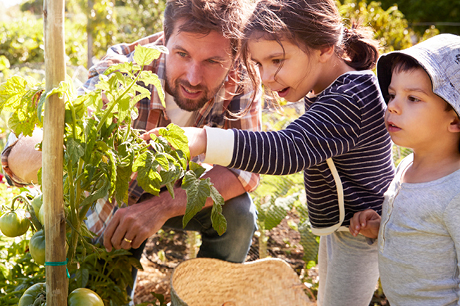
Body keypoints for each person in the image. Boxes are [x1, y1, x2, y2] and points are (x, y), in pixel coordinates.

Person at [2, 0, 262, 300]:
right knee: (105, 289)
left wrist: (161, 206)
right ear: (165, 39)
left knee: (238, 214)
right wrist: (39, 149)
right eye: (182, 54)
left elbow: (245, 167)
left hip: (178, 190)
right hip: (116, 204)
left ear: (233, 57)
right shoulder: (124, 70)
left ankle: (205, 297)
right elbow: (57, 135)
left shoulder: (243, 78)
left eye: (212, 62)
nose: (193, 77)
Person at [144, 0, 395, 305]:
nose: (265, 77)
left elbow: (286, 149)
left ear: (324, 47)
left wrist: (203, 140)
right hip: (345, 229)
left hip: (362, 231)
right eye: (260, 64)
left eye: (277, 60)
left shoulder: (351, 98)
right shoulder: (332, 89)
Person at [349, 33, 460, 305]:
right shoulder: (406, 166)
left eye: (413, 98)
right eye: (392, 94)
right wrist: (383, 227)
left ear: (455, 119)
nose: (393, 107)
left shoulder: (454, 192)